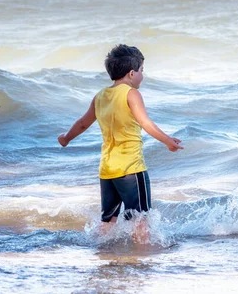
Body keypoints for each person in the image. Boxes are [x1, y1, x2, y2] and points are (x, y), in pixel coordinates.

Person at [58, 44, 183, 242]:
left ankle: (104, 254)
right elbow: (145, 123)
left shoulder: (100, 96)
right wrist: (167, 141)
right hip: (131, 169)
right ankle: (142, 257)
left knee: (108, 222)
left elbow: (82, 124)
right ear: (132, 73)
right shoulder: (131, 93)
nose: (143, 75)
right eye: (142, 70)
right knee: (140, 219)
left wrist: (66, 138)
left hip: (107, 171)